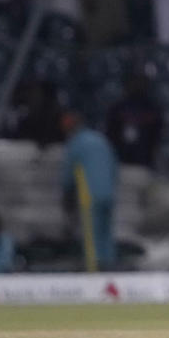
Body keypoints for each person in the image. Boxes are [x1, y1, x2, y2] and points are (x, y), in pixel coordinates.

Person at [60, 111, 119, 271]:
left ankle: (95, 274)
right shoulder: (100, 140)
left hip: (89, 195)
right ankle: (110, 268)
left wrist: (66, 200)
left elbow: (68, 175)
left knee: (91, 238)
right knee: (106, 234)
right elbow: (114, 166)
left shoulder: (76, 143)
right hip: (108, 193)